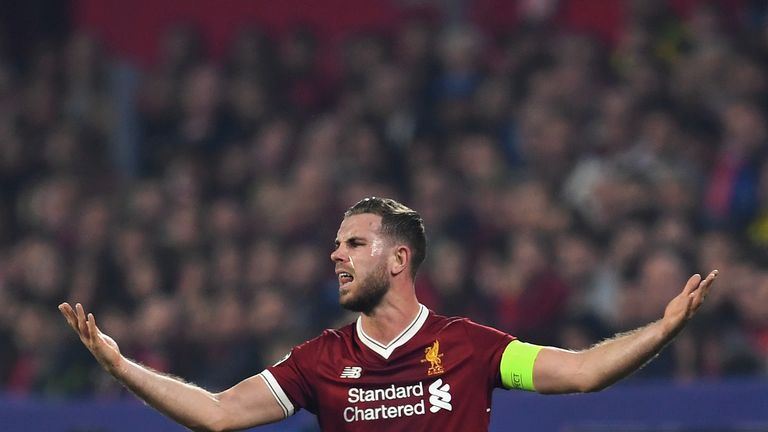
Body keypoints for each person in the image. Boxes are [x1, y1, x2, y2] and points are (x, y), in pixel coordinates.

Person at [59, 197, 719, 431]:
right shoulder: (317, 362)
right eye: (336, 243)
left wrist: (660, 330)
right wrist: (122, 366)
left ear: (399, 259)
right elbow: (219, 414)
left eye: (353, 243)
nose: (335, 255)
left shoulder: (472, 348)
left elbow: (580, 373)